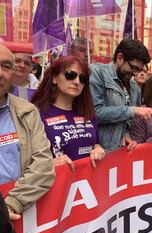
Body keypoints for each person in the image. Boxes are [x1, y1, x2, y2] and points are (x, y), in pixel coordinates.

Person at [0, 43, 55, 220]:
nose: (0, 73)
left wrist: (12, 204)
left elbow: (43, 164)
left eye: (6, 66)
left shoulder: (27, 111)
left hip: (16, 216)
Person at [31, 56, 105, 171]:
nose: (77, 82)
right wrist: (49, 163)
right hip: (54, 184)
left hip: (86, 184)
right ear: (55, 78)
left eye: (83, 78)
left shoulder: (88, 112)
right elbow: (26, 160)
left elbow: (95, 143)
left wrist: (98, 149)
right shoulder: (36, 114)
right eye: (70, 75)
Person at [90, 38, 152, 152]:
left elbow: (127, 122)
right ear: (120, 58)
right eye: (133, 68)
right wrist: (132, 110)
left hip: (118, 153)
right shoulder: (97, 73)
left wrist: (126, 134)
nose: (135, 74)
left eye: (139, 70)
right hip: (96, 152)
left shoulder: (134, 87)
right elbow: (95, 114)